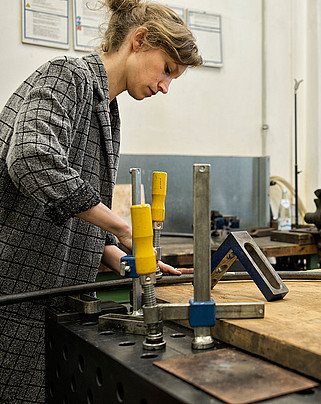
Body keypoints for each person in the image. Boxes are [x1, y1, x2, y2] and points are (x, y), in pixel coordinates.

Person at [0, 0, 203, 401]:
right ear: (139, 40)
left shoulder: (105, 108)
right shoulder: (66, 76)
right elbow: (30, 158)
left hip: (56, 302)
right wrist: (122, 227)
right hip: (16, 300)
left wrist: (109, 252)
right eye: (166, 70)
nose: (165, 87)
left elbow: (65, 207)